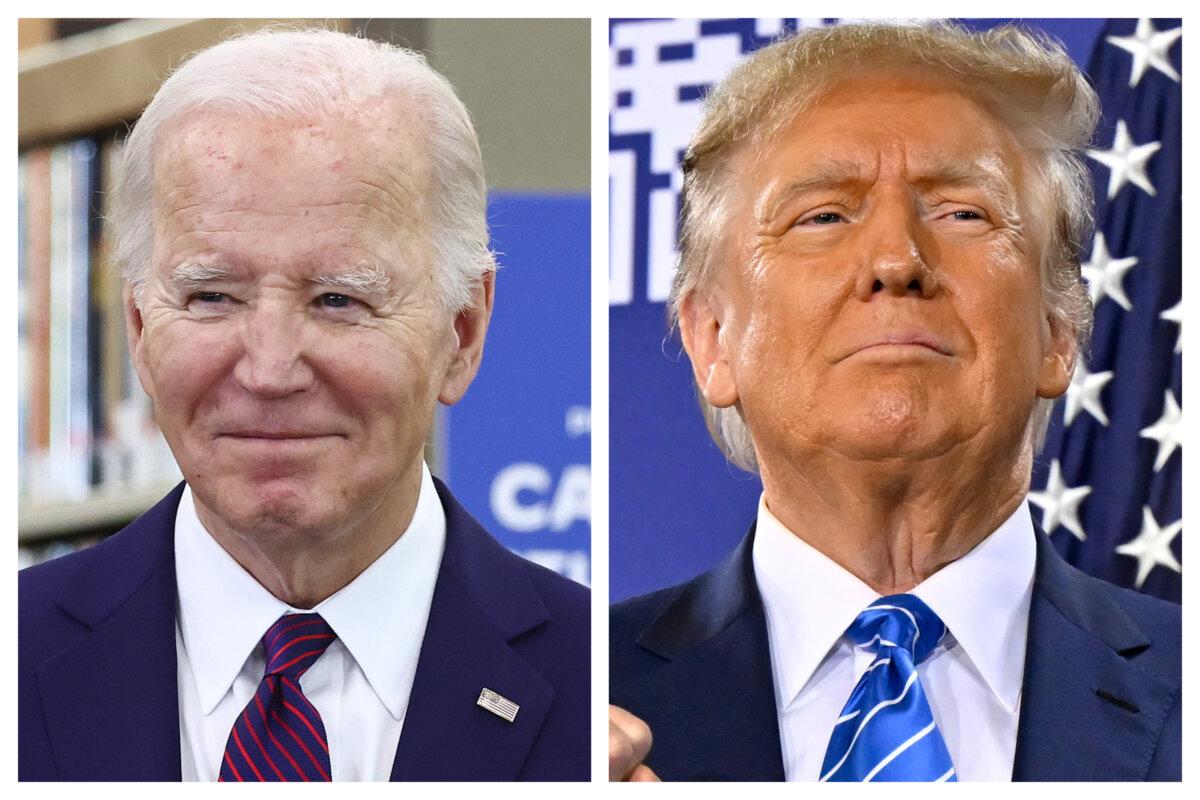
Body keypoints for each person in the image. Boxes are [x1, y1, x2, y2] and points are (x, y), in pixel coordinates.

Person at [609, 22, 1179, 782]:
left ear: (1057, 334)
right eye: (824, 216)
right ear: (713, 341)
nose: (895, 260)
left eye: (961, 212)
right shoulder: (569, 705)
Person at [19, 28, 588, 782]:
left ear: (463, 333)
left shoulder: (608, 691)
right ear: (138, 328)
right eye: (212, 296)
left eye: (338, 300)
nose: (268, 370)